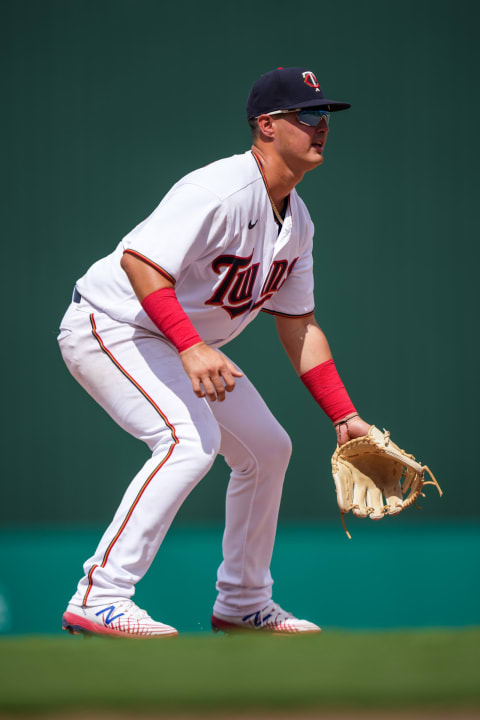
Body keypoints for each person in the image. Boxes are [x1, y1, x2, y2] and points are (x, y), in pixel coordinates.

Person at [58, 66, 371, 638]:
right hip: (113, 326)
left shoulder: (297, 221)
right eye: (307, 115)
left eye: (325, 116)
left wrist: (344, 415)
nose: (321, 126)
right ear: (267, 125)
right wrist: (190, 344)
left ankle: (244, 602)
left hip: (181, 344)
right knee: (187, 441)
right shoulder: (221, 188)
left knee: (269, 449)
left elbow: (299, 325)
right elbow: (141, 262)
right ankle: (100, 594)